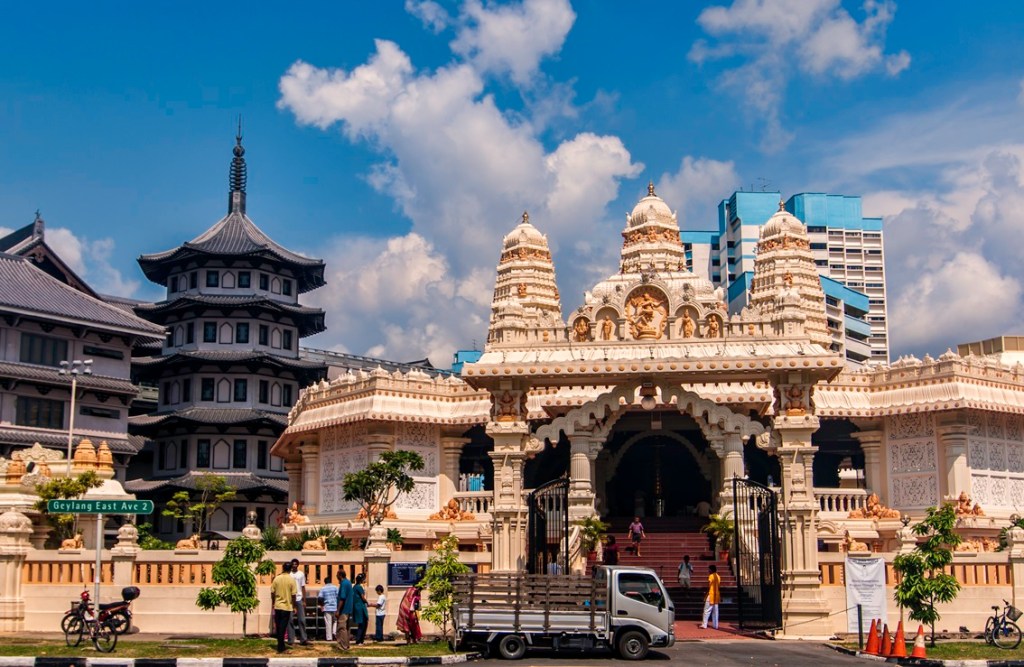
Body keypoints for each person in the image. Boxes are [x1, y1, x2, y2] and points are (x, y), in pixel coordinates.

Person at [271, 562, 297, 653]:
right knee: (282, 627)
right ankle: (281, 647)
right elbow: (294, 595)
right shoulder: (291, 580)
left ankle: (280, 645)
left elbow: (272, 592)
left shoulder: (276, 579)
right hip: (286, 607)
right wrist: (294, 606)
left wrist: (273, 603)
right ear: (290, 569)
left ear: (282, 568)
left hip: (278, 606)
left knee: (279, 627)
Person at [289, 558, 308, 645]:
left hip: (299, 598)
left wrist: (304, 600)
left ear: (298, 565)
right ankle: (291, 639)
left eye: (296, 564)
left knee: (302, 620)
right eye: (293, 564)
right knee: (290, 620)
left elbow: (303, 587)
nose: (294, 565)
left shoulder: (301, 574)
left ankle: (303, 638)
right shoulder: (288, 574)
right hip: (289, 599)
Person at [318, 575, 339, 641]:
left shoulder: (323, 588)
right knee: (335, 621)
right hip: (335, 607)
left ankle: (329, 637)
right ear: (331, 581)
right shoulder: (335, 587)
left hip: (327, 607)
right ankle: (334, 633)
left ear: (325, 582)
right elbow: (338, 597)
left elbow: (320, 598)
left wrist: (322, 606)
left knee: (328, 623)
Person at [336, 569, 354, 650]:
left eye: (337, 575)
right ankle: (347, 644)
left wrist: (338, 610)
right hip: (349, 608)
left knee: (341, 627)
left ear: (340, 575)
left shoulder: (343, 583)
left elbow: (342, 598)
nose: (336, 577)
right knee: (347, 628)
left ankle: (343, 645)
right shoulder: (348, 582)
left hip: (344, 609)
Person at [701, 564, 721, 630]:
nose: (708, 571)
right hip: (716, 595)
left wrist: (705, 593)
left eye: (709, 569)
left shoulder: (711, 576)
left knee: (706, 610)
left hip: (711, 595)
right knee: (715, 612)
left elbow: (709, 585)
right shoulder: (718, 576)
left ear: (711, 570)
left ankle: (704, 625)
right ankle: (716, 625)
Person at [352, 573, 369, 644]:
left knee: (361, 623)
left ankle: (361, 640)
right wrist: (367, 602)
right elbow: (362, 597)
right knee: (363, 624)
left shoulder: (354, 587)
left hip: (356, 606)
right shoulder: (359, 587)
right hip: (360, 607)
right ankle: (359, 640)